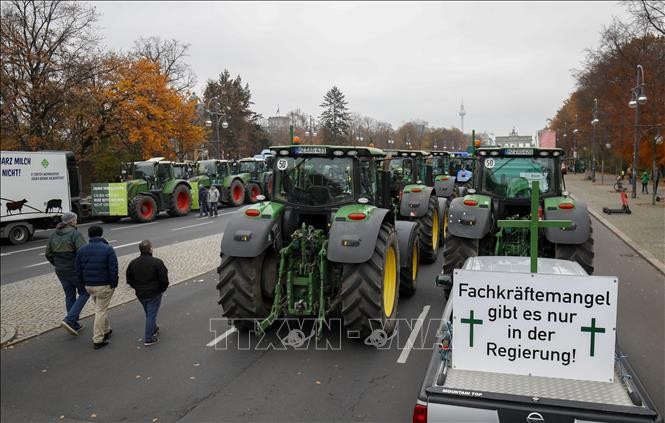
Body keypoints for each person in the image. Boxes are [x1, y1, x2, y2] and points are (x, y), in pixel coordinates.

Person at [45, 211, 88, 336]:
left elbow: (48, 253)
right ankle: (69, 320)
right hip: (74, 270)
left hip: (60, 271)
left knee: (69, 295)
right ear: (71, 221)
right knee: (84, 292)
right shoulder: (75, 234)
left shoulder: (53, 235)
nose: (77, 221)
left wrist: (57, 264)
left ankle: (74, 324)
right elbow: (82, 253)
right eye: (75, 219)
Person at [75, 225, 118, 350]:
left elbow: (78, 270)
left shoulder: (82, 250)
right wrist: (113, 284)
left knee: (100, 308)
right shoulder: (108, 249)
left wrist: (81, 286)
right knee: (100, 310)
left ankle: (106, 330)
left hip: (89, 285)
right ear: (101, 234)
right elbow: (113, 269)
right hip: (103, 285)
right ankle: (98, 339)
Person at [126, 240, 169, 346]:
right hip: (154, 293)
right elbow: (164, 279)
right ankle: (149, 337)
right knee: (151, 314)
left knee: (149, 313)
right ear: (150, 249)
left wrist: (136, 287)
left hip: (140, 293)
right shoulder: (157, 262)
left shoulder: (133, 263)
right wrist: (162, 289)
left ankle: (153, 328)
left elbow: (129, 279)